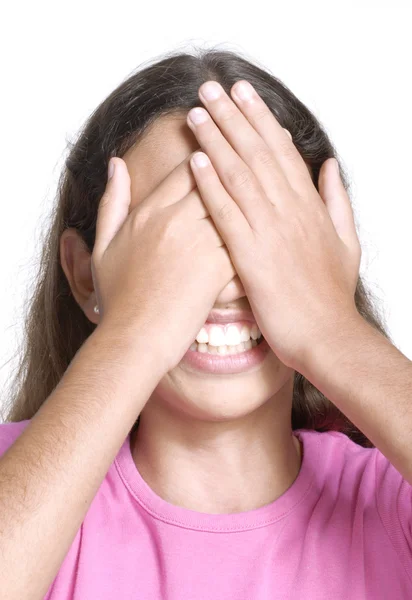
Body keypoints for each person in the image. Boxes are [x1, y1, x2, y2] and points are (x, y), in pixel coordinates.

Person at [0, 47, 411, 600]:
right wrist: (136, 333)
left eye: (258, 233)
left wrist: (331, 330)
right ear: (85, 275)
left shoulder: (391, 501)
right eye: (176, 240)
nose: (224, 285)